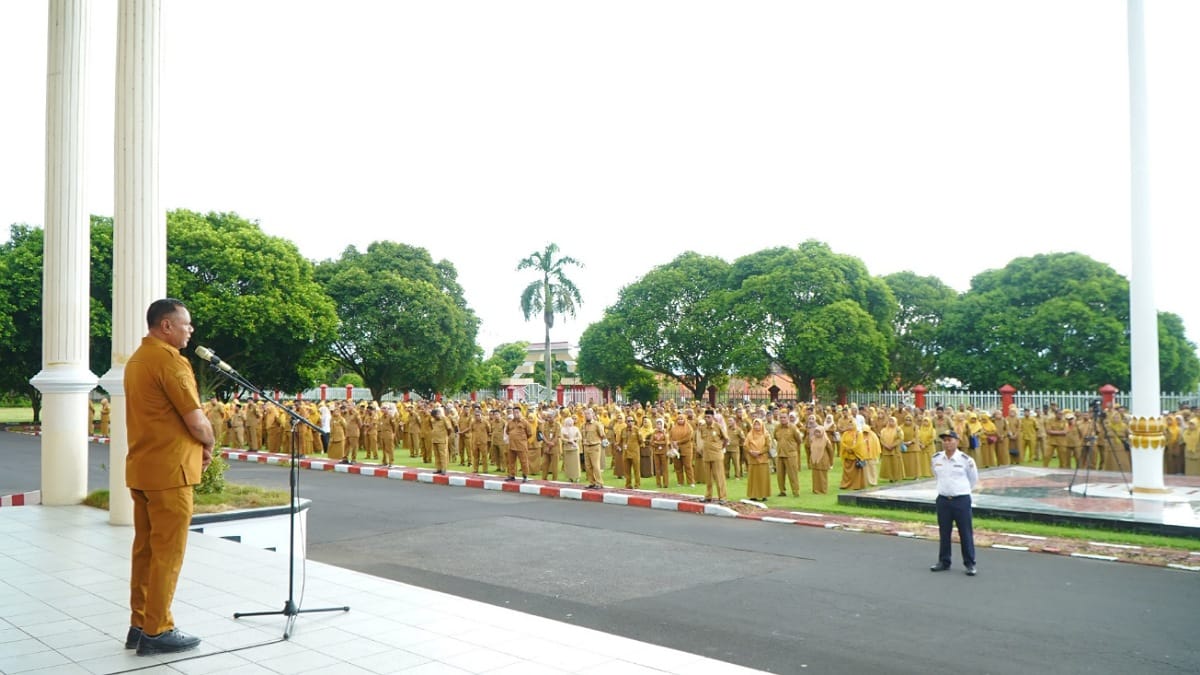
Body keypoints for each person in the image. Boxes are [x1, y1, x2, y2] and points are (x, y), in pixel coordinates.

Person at [124, 298, 212, 655]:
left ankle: (139, 623)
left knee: (145, 550)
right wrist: (209, 442)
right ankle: (158, 630)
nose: (190, 330)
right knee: (167, 553)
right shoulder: (169, 361)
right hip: (170, 473)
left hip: (143, 469)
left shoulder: (136, 360)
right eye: (186, 324)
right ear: (166, 326)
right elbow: (195, 419)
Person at [930, 430, 979, 576]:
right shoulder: (936, 458)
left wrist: (961, 491)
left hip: (961, 500)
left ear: (957, 441)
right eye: (944, 440)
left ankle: (970, 563)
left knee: (965, 533)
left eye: (950, 440)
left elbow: (973, 479)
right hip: (943, 500)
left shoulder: (966, 460)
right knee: (944, 532)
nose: (947, 443)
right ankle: (944, 561)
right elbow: (936, 475)